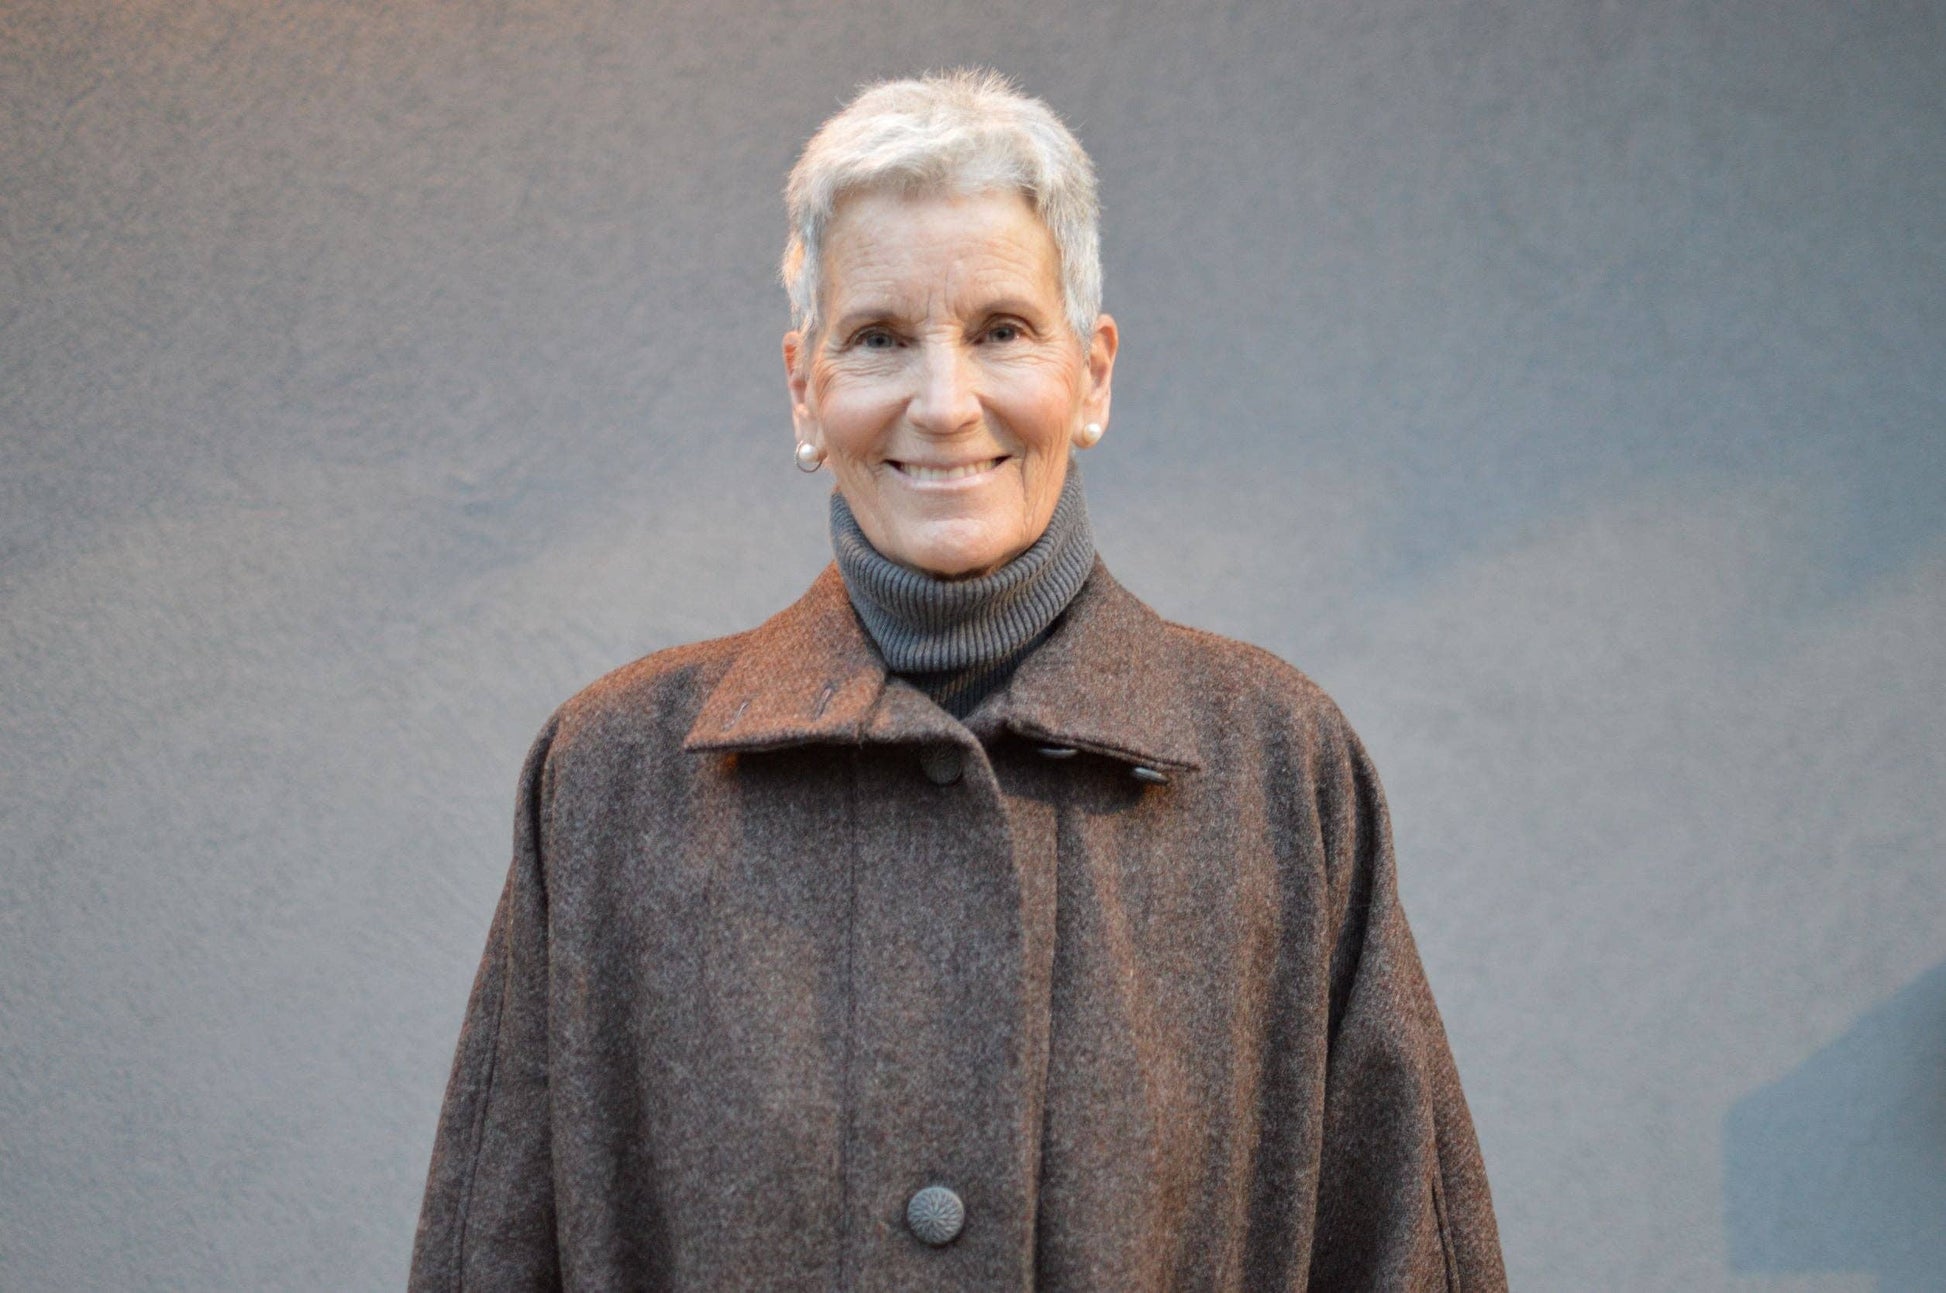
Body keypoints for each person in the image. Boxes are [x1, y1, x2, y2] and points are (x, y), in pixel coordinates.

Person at [409, 69, 1505, 1291]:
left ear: (1091, 375)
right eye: (878, 337)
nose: (943, 404)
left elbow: (1406, 1256)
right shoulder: (612, 778)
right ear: (804, 389)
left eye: (1001, 331)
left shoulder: (1275, 769)